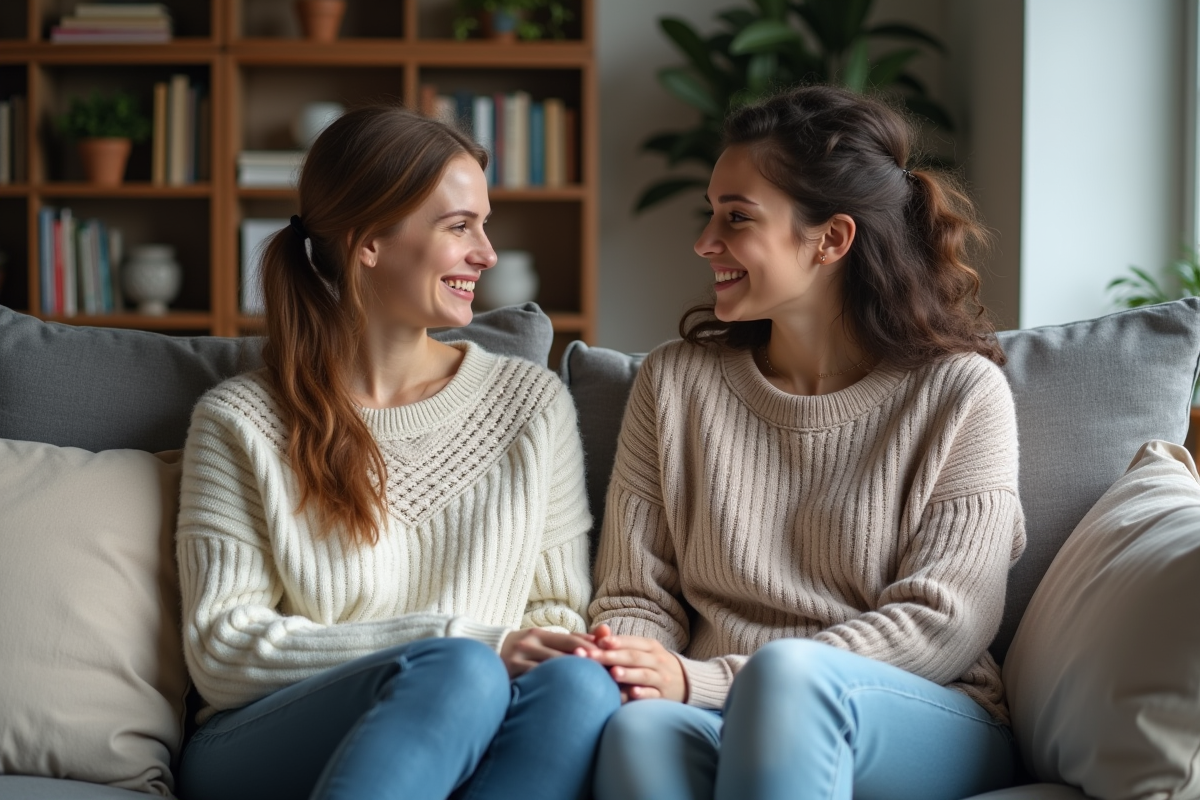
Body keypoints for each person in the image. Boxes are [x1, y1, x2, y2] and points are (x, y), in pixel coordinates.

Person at [587, 85, 1026, 800]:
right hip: (713, 709)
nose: (705, 241)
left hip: (921, 711)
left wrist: (710, 680)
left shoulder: (960, 393)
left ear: (831, 239)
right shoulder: (673, 384)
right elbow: (636, 594)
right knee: (639, 731)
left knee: (790, 680)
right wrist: (642, 668)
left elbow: (946, 620)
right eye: (711, 214)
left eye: (736, 218)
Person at [175, 105, 618, 800]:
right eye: (459, 226)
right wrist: (459, 641)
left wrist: (506, 651)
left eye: (485, 225)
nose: (487, 253)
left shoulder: (531, 405)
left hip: (478, 714)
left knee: (579, 687)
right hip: (263, 738)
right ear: (369, 242)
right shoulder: (241, 422)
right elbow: (223, 651)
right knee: (460, 670)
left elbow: (557, 610)